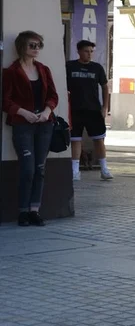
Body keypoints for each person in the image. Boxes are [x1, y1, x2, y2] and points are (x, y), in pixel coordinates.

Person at [3, 31, 59, 227]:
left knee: (40, 169)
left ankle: (35, 210)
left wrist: (47, 110)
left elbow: (53, 95)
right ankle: (23, 211)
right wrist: (23, 113)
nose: (36, 49)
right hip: (23, 125)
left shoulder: (43, 69)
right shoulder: (11, 72)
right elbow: (5, 101)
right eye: (32, 45)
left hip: (44, 124)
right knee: (27, 169)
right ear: (22, 47)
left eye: (38, 45)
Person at [66, 39, 112, 181]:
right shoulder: (70, 66)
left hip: (93, 110)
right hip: (75, 109)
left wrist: (105, 107)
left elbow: (105, 87)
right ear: (79, 51)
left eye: (91, 51)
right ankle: (75, 171)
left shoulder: (97, 68)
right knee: (75, 140)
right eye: (86, 51)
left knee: (99, 140)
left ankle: (104, 169)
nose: (89, 54)